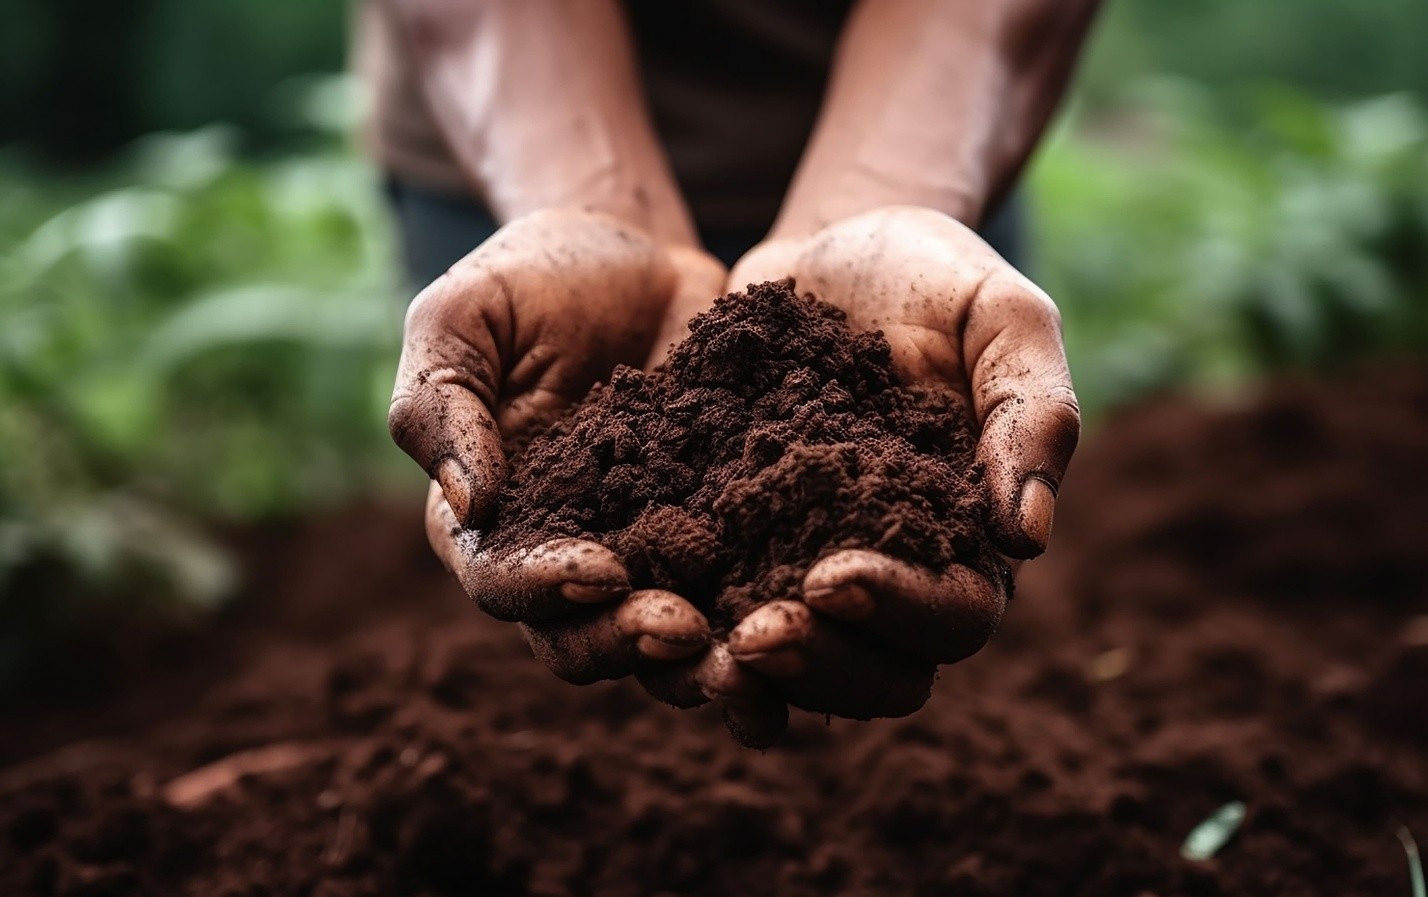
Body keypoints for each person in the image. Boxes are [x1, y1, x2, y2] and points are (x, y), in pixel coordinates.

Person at [366, 0, 1093, 744]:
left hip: (935, 118)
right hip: (516, 113)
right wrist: (589, 205)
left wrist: (889, 198)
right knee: (548, 700)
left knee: (909, 673)